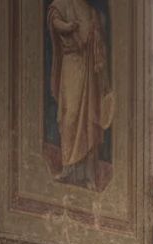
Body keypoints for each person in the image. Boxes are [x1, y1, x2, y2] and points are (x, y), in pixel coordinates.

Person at [47, 0, 114, 189]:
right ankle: (68, 168)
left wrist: (105, 84)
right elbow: (54, 20)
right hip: (71, 63)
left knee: (88, 123)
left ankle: (86, 174)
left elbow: (100, 49)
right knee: (71, 115)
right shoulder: (63, 3)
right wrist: (68, 27)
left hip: (89, 73)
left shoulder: (92, 13)